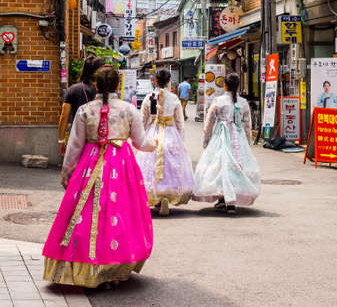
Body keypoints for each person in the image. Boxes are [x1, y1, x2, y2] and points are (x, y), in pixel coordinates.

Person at [43, 66, 157, 288]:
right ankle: (114, 269)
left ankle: (91, 269)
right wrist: (155, 145)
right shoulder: (128, 109)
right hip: (122, 167)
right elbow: (141, 142)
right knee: (120, 213)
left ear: (95, 85)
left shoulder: (85, 110)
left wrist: (66, 174)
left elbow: (74, 146)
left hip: (90, 163)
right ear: (117, 85)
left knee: (88, 214)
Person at [193, 73, 260, 213]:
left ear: (225, 85)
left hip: (221, 135)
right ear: (238, 86)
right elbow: (247, 125)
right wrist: (247, 142)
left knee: (221, 165)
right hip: (238, 137)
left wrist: (205, 140)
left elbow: (209, 122)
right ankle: (231, 199)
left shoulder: (218, 101)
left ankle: (224, 199)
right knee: (235, 166)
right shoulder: (243, 103)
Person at [136, 69, 194, 216]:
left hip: (152, 134)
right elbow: (180, 122)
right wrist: (181, 140)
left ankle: (156, 198)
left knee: (151, 168)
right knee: (170, 167)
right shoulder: (174, 99)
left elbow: (142, 120)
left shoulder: (148, 98)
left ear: (154, 80)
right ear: (169, 81)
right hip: (170, 133)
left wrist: (141, 140)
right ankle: (167, 196)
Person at [58, 56, 105, 156]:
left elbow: (64, 116)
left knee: (77, 169)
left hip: (76, 137)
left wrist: (61, 140)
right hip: (99, 138)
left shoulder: (72, 90)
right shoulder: (104, 91)